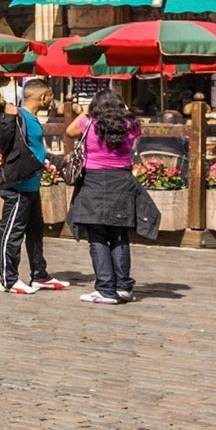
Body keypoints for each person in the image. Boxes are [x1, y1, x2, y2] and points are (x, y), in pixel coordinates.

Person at [65, 88, 155, 304]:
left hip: (93, 182)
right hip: (122, 181)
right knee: (119, 235)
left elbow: (69, 131)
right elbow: (133, 127)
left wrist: (87, 111)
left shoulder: (88, 124)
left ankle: (105, 288)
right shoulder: (131, 126)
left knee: (97, 236)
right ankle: (123, 287)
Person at [0, 83, 66, 293]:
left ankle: (39, 275)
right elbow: (2, 142)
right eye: (51, 96)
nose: (52, 101)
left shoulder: (32, 120)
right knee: (11, 232)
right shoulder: (17, 116)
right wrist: (8, 117)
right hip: (18, 186)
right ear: (43, 98)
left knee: (35, 232)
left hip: (32, 184)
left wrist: (58, 161)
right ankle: (8, 279)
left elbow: (36, 149)